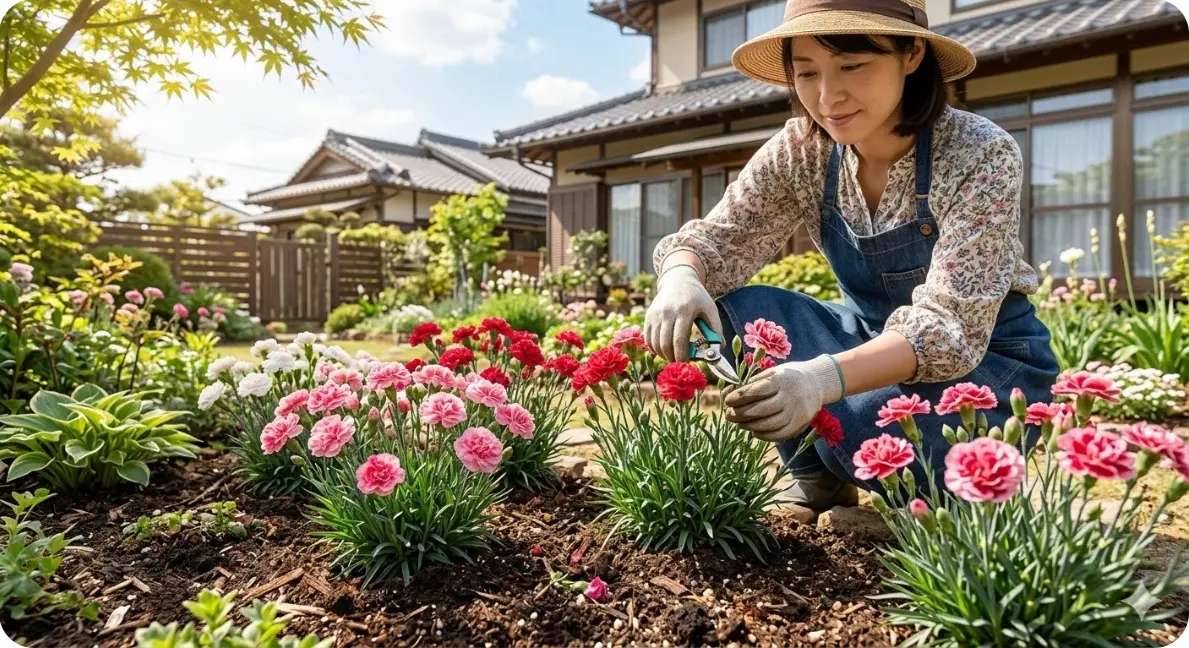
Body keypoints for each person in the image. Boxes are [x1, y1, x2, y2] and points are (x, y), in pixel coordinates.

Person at [643, 0, 1059, 511]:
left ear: (911, 53)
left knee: (865, 429)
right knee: (735, 316)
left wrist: (819, 379)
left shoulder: (979, 152)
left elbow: (949, 331)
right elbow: (720, 241)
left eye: (851, 66)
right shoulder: (802, 150)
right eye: (807, 73)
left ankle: (936, 490)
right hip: (863, 341)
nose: (827, 96)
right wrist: (681, 277)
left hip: (985, 368)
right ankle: (817, 474)